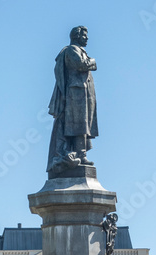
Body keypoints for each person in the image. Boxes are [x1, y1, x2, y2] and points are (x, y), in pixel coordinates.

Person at [46, 26, 98, 174]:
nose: (87, 38)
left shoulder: (80, 51)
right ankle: (80, 154)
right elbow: (82, 64)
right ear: (76, 36)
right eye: (84, 36)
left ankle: (79, 154)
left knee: (83, 124)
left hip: (82, 93)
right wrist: (93, 61)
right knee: (79, 124)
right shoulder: (72, 50)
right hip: (75, 94)